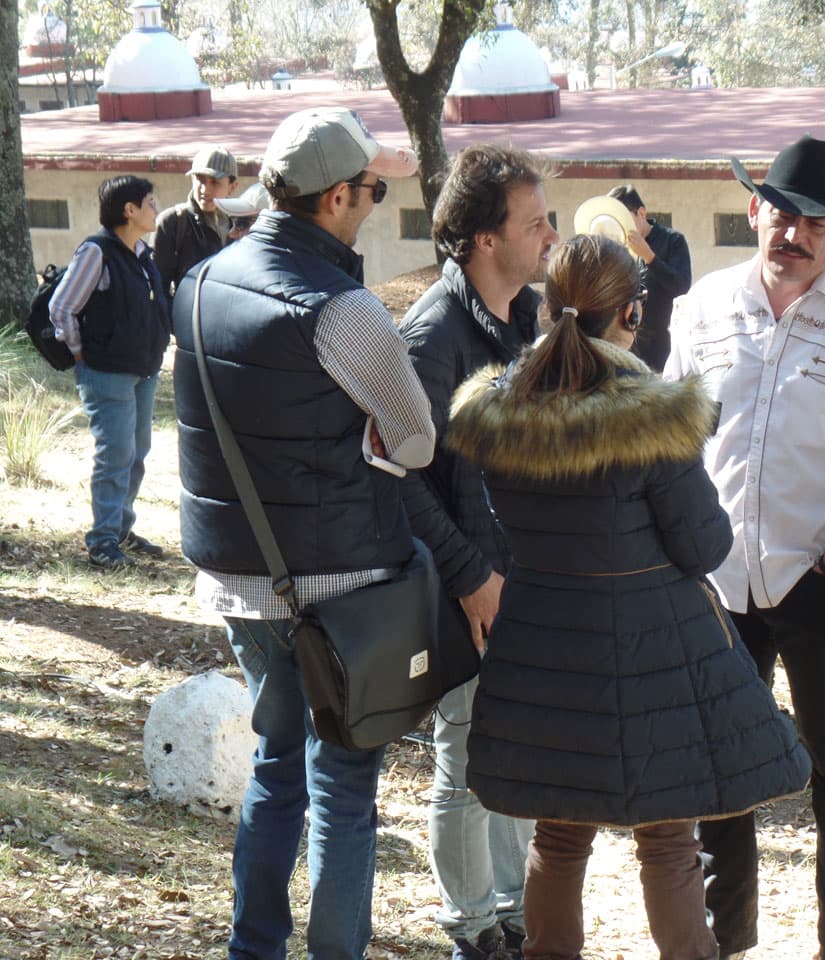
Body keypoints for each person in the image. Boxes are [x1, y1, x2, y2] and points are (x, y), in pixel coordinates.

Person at [447, 234, 812, 960]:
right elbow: (703, 546)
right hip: (656, 656)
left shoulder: (499, 410)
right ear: (632, 315)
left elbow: (499, 527)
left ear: (547, 308)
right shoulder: (652, 416)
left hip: (542, 649)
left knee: (558, 836)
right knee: (669, 840)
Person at [169, 107, 434, 960]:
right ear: (337, 197)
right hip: (341, 590)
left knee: (277, 769)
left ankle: (253, 948)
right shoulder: (343, 309)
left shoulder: (196, 284)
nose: (375, 204)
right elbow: (417, 439)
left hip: (238, 583)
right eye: (374, 190)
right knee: (344, 789)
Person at [666, 134, 825, 960]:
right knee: (720, 767)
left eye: (816, 223)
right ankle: (723, 941)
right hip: (718, 578)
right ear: (753, 211)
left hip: (822, 576)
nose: (794, 235)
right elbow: (673, 434)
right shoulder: (702, 304)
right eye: (781, 215)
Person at [398, 143, 558, 960]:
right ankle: (471, 930)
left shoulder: (524, 319)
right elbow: (399, 479)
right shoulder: (433, 337)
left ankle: (510, 915)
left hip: (520, 579)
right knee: (464, 761)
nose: (551, 237)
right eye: (535, 224)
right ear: (485, 240)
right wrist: (471, 578)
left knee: (512, 753)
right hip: (468, 588)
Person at [48, 175, 170, 570]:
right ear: (129, 210)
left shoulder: (142, 254)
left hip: (143, 371)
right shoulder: (96, 252)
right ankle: (102, 543)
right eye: (150, 202)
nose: (156, 209)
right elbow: (61, 307)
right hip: (106, 373)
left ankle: (120, 530)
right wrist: (81, 353)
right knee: (115, 456)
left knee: (136, 454)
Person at [606, 183, 692, 370]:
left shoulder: (673, 240)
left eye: (624, 219)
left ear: (641, 213)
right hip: (629, 347)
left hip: (666, 345)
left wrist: (649, 257)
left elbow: (682, 287)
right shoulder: (618, 249)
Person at [154, 145, 238, 296]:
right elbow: (158, 290)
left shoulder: (241, 225)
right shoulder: (173, 222)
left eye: (215, 182)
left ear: (232, 187)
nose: (205, 190)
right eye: (200, 180)